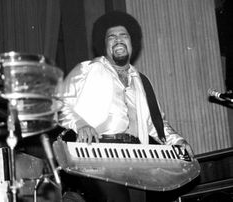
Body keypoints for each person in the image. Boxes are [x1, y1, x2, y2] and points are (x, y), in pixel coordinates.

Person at [60, 10, 194, 202]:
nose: (118, 40)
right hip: (98, 152)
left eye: (124, 36)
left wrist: (177, 141)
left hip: (138, 156)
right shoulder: (86, 69)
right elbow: (59, 104)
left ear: (132, 43)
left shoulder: (143, 82)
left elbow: (156, 124)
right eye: (111, 37)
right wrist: (80, 124)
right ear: (103, 44)